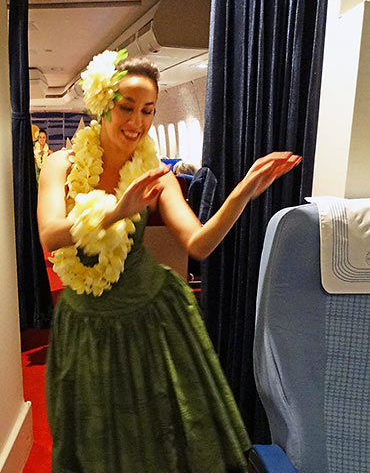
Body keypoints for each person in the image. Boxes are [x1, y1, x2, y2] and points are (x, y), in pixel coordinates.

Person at [37, 49, 301, 472]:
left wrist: (242, 193)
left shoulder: (156, 172)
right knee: (95, 435)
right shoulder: (60, 165)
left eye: (148, 110)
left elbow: (198, 244)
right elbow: (50, 235)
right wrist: (116, 212)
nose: (137, 122)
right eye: (126, 108)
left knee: (158, 434)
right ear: (102, 105)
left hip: (152, 317)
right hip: (85, 324)